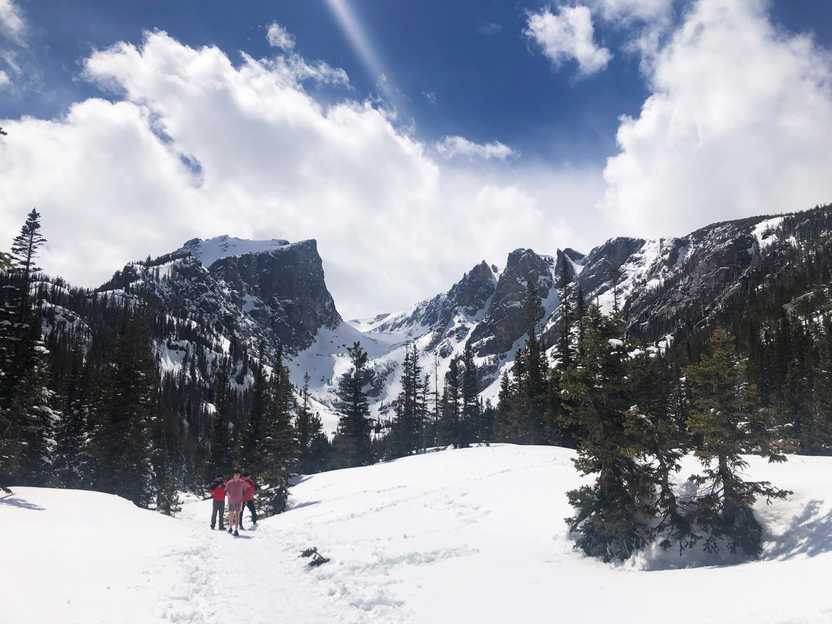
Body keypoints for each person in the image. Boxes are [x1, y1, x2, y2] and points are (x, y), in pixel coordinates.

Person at [224, 470, 246, 537]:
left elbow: (244, 491)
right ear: (233, 475)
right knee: (231, 514)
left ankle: (236, 530)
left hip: (239, 501)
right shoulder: (229, 482)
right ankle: (230, 527)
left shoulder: (242, 482)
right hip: (231, 501)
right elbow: (226, 491)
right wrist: (228, 495)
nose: (237, 476)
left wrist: (242, 501)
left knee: (237, 515)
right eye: (236, 475)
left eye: (238, 475)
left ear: (239, 475)